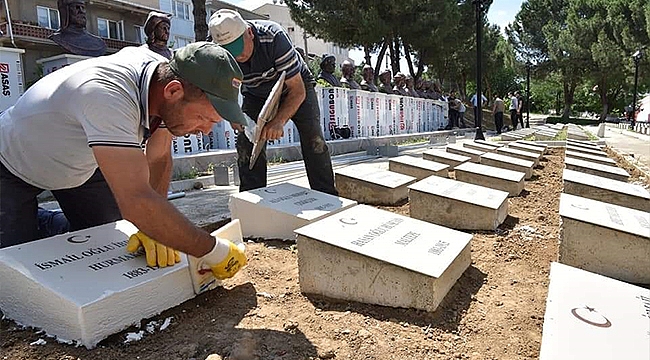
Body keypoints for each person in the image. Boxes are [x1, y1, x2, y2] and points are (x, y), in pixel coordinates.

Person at [0, 42, 247, 280]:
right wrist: (212, 250)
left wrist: (154, 228)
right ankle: (36, 221)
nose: (205, 131)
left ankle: (43, 222)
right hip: (12, 163)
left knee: (105, 244)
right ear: (173, 91)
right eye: (204, 118)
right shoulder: (107, 95)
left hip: (81, 161)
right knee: (15, 271)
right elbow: (136, 201)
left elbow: (159, 155)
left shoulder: (167, 80)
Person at [208, 9, 337, 195]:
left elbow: (297, 91)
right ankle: (252, 199)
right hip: (255, 93)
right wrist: (232, 114)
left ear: (249, 33)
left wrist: (278, 120)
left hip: (295, 86)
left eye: (238, 48)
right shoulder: (213, 52)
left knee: (313, 139)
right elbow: (222, 89)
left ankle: (327, 195)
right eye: (229, 52)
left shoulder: (273, 37)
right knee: (247, 143)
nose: (237, 57)